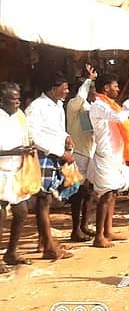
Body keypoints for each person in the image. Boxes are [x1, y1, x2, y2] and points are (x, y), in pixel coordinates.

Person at [88, 74, 129, 248]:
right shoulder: (99, 105)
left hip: (115, 156)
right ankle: (99, 236)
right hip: (106, 156)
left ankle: (108, 230)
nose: (118, 89)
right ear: (106, 88)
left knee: (113, 193)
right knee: (105, 195)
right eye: (115, 86)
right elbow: (119, 117)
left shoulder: (108, 104)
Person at [25, 72, 78, 259]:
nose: (67, 91)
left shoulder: (58, 105)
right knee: (43, 200)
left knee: (46, 199)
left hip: (55, 155)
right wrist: (59, 152)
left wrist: (66, 137)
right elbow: (33, 137)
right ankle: (48, 245)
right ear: (53, 89)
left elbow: (58, 130)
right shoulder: (36, 107)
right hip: (43, 156)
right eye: (64, 89)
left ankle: (44, 241)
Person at [0, 82, 38, 270]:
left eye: (18, 98)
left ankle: (11, 252)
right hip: (1, 171)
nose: (18, 102)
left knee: (21, 211)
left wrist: (29, 148)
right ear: (2, 100)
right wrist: (11, 152)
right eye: (13, 99)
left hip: (16, 170)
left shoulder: (19, 116)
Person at [65, 64, 97, 242]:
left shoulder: (91, 108)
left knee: (90, 193)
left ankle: (84, 225)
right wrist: (88, 81)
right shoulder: (74, 105)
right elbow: (80, 96)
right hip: (78, 153)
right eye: (92, 92)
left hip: (89, 153)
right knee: (79, 193)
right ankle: (75, 229)